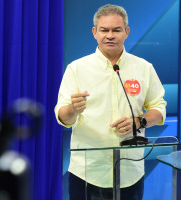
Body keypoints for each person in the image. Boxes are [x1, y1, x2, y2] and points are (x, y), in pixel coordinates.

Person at [55, 4, 166, 200]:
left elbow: (158, 108)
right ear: (94, 32)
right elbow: (63, 116)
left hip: (130, 170)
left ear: (127, 32)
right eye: (104, 30)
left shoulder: (144, 68)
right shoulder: (77, 68)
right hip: (88, 172)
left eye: (116, 30)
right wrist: (73, 109)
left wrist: (139, 122)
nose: (110, 35)